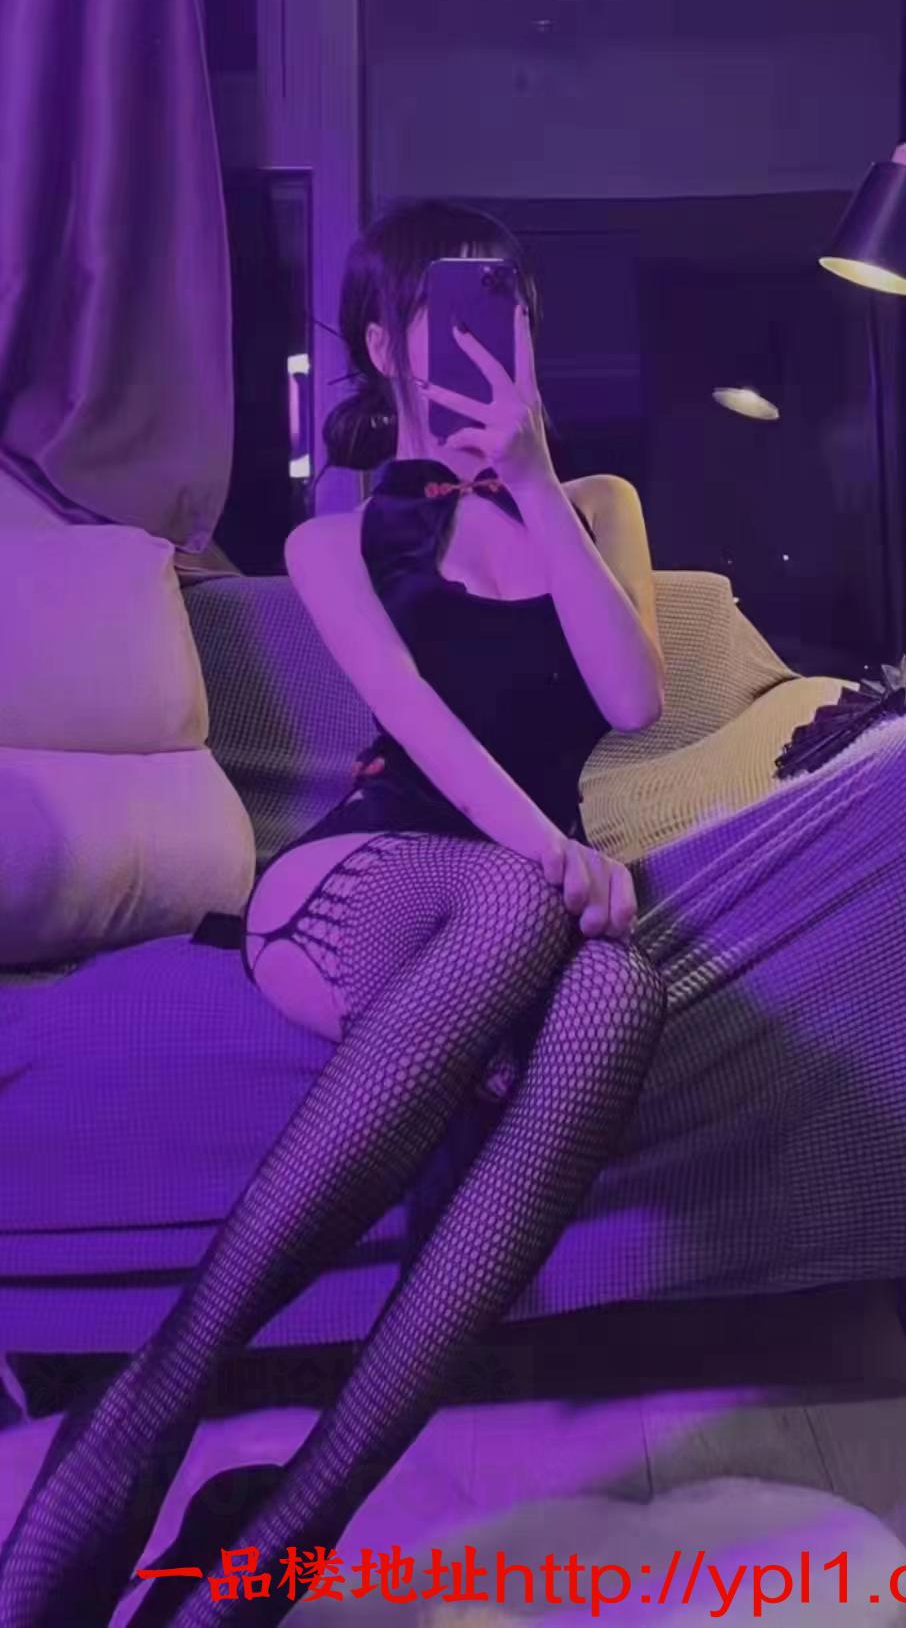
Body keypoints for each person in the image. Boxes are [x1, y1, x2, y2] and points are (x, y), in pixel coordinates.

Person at [0, 199, 668, 1627]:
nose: (490, 334)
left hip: (519, 904)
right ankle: (153, 1399)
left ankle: (290, 1525)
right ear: (382, 344)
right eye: (449, 308)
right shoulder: (339, 538)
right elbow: (415, 724)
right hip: (360, 881)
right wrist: (556, 853)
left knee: (626, 991)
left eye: (509, 305)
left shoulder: (590, 513)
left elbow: (631, 702)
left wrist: (539, 481)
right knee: (520, 901)